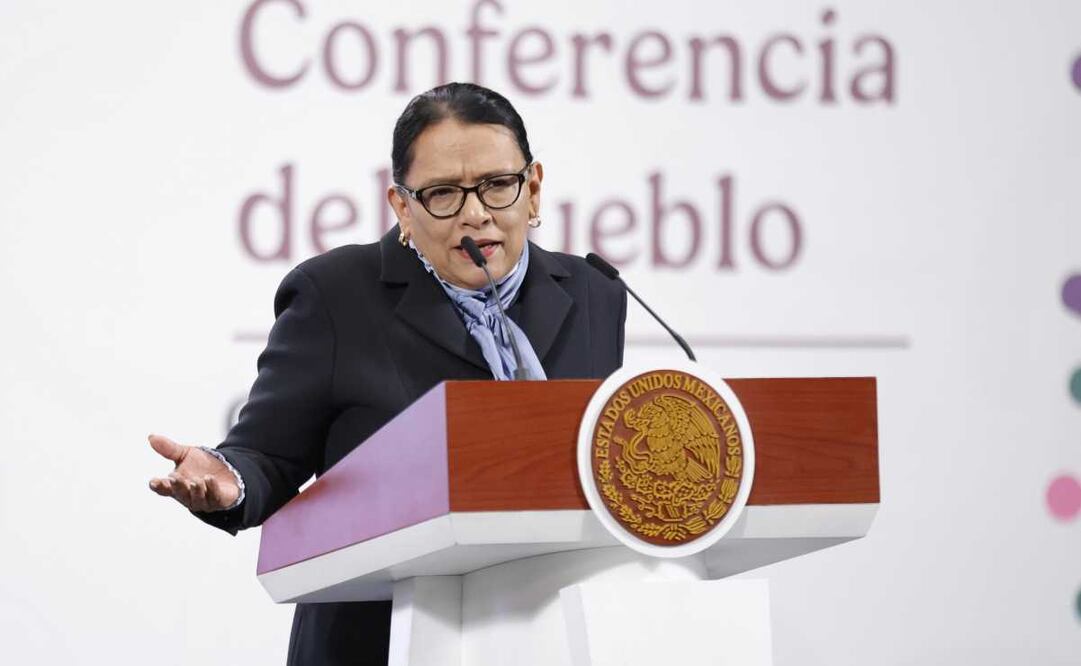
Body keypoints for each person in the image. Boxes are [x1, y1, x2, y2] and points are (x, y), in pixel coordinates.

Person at [147, 82, 627, 665]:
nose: (476, 213)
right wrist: (229, 479)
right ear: (402, 206)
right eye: (443, 193)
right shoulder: (336, 295)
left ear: (533, 189)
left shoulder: (594, 293)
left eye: (498, 185)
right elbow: (267, 454)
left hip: (537, 635)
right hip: (373, 639)